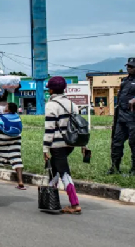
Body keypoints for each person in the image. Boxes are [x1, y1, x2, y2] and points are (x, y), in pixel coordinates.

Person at [43, 76, 81, 214]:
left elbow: (49, 129)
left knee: (64, 172)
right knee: (55, 168)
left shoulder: (51, 105)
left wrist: (45, 148)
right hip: (70, 144)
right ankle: (49, 200)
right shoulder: (72, 104)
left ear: (51, 90)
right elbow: (78, 127)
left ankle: (74, 203)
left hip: (57, 144)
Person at [0, 101, 26, 189]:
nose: (5, 107)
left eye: (6, 106)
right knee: (17, 157)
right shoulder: (17, 116)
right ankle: (20, 181)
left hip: (2, 138)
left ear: (8, 109)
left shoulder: (1, 116)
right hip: (16, 139)